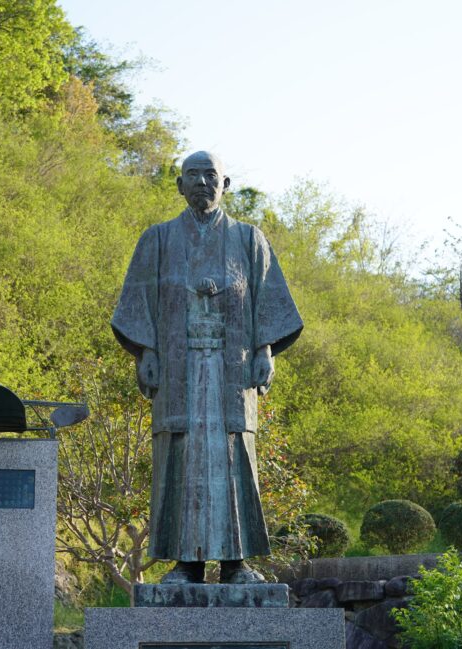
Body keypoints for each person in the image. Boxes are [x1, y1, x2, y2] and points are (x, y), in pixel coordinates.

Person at [111, 151, 303, 584]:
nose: (201, 181)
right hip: (179, 369)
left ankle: (237, 565)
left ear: (226, 184)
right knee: (181, 458)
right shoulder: (157, 240)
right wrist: (148, 353)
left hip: (230, 370)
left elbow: (269, 302)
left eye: (210, 174)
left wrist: (265, 350)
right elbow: (137, 304)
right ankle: (185, 564)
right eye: (192, 174)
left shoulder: (250, 240)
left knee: (235, 458)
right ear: (179, 185)